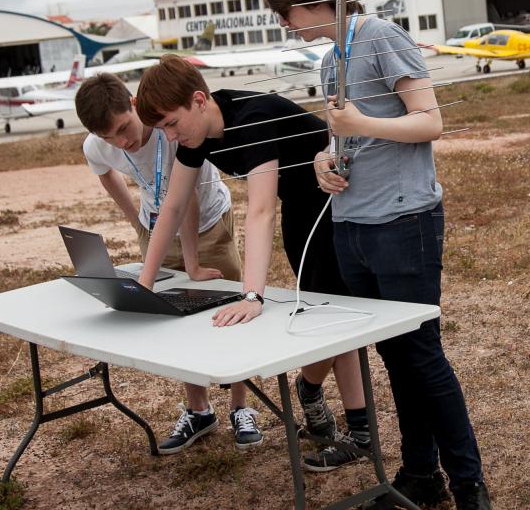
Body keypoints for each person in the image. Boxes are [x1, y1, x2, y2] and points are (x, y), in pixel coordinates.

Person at [264, 0, 493, 510]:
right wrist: (325, 160)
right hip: (352, 227)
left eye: (283, 12)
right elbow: (342, 139)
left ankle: (469, 487)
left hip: (403, 221)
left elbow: (430, 121)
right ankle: (420, 477)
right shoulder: (326, 60)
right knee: (393, 357)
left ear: (311, 0)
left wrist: (357, 122)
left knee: (422, 357)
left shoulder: (380, 37)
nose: (283, 25)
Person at [132, 56, 370, 471]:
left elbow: (259, 211)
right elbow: (170, 208)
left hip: (337, 198)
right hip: (300, 204)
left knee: (336, 315)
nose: (169, 136)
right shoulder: (195, 137)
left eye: (171, 123)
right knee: (326, 312)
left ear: (199, 101)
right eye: (162, 130)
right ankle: (328, 404)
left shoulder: (252, 118)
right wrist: (144, 284)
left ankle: (350, 424)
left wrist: (253, 295)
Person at [73, 73, 256, 452]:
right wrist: (137, 222)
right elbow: (105, 173)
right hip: (156, 228)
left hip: (206, 222)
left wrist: (191, 264)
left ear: (134, 105)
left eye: (124, 128)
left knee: (229, 311)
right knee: (174, 316)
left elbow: (184, 200)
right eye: (110, 137)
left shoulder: (170, 131)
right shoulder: (98, 145)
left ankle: (241, 406)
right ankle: (198, 409)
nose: (121, 142)